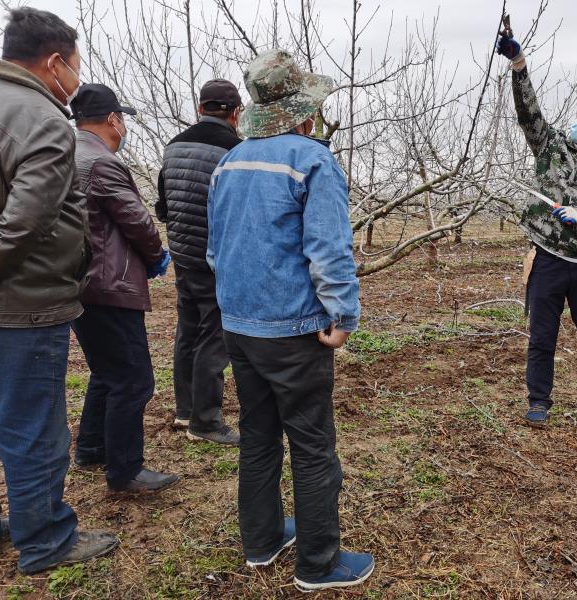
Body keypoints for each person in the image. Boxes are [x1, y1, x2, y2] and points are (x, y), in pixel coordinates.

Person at [207, 49, 374, 592]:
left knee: (258, 436)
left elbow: (215, 250)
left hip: (240, 326)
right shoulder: (312, 159)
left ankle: (262, 540)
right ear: (304, 109)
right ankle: (319, 563)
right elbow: (328, 249)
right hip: (293, 329)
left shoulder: (228, 163)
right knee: (311, 444)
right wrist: (343, 313)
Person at [0, 7, 118, 573]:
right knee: (32, 425)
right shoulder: (38, 117)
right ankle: (45, 540)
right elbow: (25, 223)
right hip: (23, 304)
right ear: (54, 60)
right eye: (76, 63)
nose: (76, 76)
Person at [496, 24, 577, 427]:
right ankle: (539, 401)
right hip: (547, 260)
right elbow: (528, 112)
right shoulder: (551, 147)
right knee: (541, 337)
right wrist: (519, 66)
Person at [70, 83, 179, 493]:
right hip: (108, 283)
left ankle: (92, 448)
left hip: (80, 283)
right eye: (123, 120)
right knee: (133, 378)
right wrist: (155, 257)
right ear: (114, 119)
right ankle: (125, 470)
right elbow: (137, 221)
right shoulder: (102, 162)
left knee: (106, 371)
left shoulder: (67, 153)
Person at [155, 79, 243, 446]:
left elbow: (162, 206)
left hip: (183, 254)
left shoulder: (173, 147)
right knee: (214, 335)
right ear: (236, 113)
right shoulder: (235, 151)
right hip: (215, 259)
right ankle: (206, 421)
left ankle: (185, 410)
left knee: (188, 330)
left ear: (199, 108)